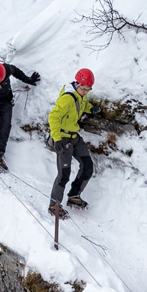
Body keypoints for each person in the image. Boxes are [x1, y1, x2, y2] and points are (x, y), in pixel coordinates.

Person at [47, 68, 96, 217]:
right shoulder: (67, 98)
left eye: (88, 89)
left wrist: (90, 108)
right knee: (64, 174)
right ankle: (54, 206)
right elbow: (53, 117)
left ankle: (74, 196)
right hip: (63, 138)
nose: (85, 92)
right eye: (83, 89)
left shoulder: (81, 94)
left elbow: (81, 104)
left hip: (74, 136)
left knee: (87, 166)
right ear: (76, 83)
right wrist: (57, 139)